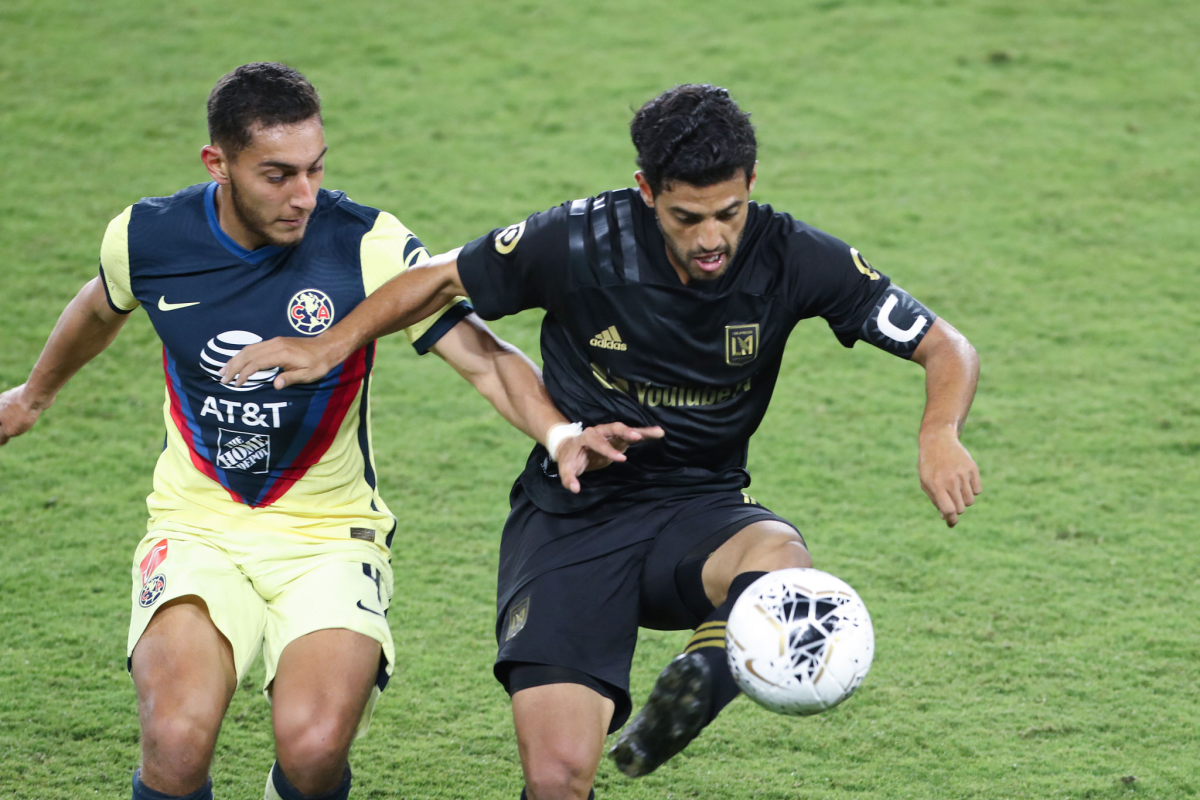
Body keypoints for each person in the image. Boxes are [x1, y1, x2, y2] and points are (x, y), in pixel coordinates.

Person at [220, 83, 982, 800]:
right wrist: (330, 346)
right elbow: (437, 279)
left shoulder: (793, 254)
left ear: (752, 180)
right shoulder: (578, 238)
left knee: (780, 558)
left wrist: (938, 430)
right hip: (572, 514)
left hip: (699, 508)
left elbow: (946, 344)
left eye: (730, 211)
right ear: (646, 190)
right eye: (688, 218)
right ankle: (708, 662)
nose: (713, 238)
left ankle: (703, 675)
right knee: (558, 780)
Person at [0, 62, 637, 800]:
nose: (302, 196)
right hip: (198, 525)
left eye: (314, 169)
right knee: (174, 745)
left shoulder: (365, 244)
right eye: (276, 175)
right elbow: (102, 301)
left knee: (312, 750)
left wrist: (560, 435)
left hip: (330, 536)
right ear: (219, 163)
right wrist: (32, 395)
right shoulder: (148, 236)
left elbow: (485, 359)